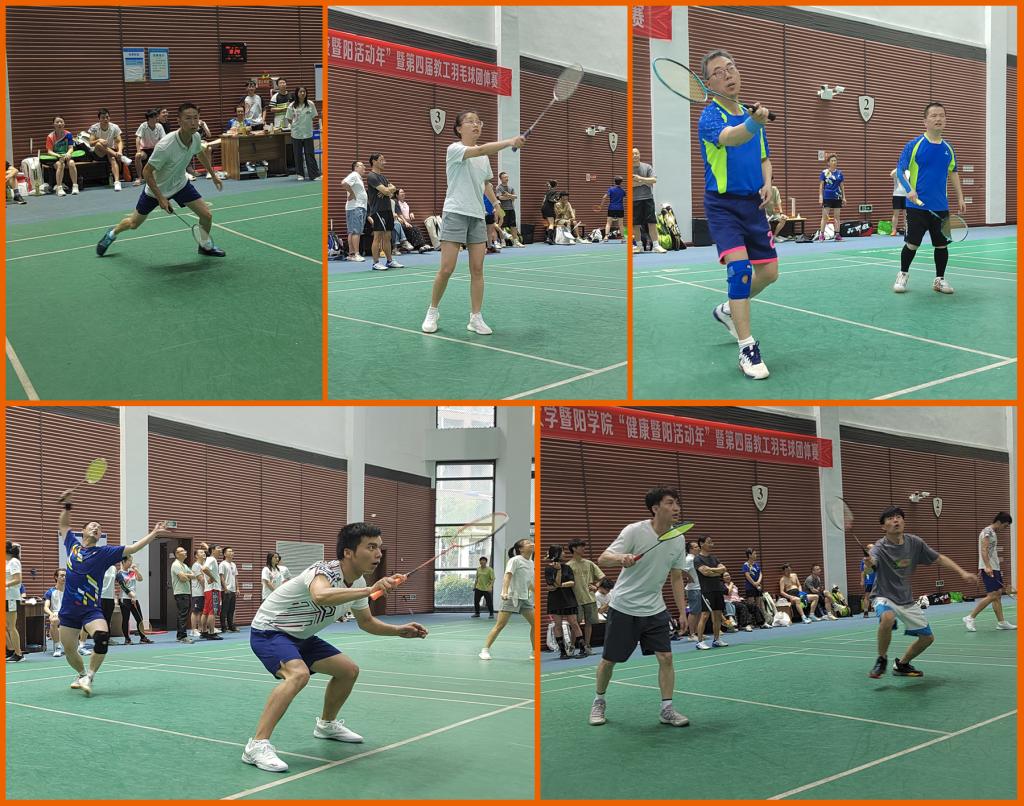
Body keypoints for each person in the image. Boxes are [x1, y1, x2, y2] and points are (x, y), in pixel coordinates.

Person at [242, 522, 427, 772]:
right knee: (298, 675)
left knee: (348, 670)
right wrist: (370, 589)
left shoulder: (358, 582)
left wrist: (399, 630)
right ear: (348, 552)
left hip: (302, 636)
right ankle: (256, 746)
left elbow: (366, 622)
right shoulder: (323, 571)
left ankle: (326, 725)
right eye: (371, 547)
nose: (378, 554)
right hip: (269, 631)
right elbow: (320, 595)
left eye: (379, 548)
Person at [698, 50, 778, 382]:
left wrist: (768, 184)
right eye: (719, 72)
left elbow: (764, 158)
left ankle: (729, 309)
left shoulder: (749, 114)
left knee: (769, 273)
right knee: (740, 270)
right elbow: (732, 138)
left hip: (753, 205)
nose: (728, 74)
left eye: (731, 68)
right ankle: (747, 348)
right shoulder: (710, 117)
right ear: (708, 84)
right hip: (723, 206)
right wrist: (754, 122)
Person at [56, 488, 173, 695]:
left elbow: (133, 548)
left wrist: (154, 533)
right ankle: (81, 674)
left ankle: (90, 676)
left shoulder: (105, 552)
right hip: (68, 609)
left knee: (102, 636)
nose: (96, 528)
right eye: (92, 526)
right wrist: (67, 505)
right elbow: (64, 525)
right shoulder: (72, 546)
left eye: (99, 528)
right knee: (69, 649)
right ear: (83, 531)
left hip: (90, 609)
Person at [590, 487, 690, 728]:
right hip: (624, 606)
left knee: (666, 657)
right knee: (609, 660)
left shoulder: (678, 538)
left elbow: (676, 577)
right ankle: (599, 701)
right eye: (670, 503)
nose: (676, 508)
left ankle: (667, 709)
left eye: (677, 503)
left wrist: (682, 611)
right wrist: (621, 558)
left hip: (655, 608)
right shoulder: (635, 530)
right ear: (655, 508)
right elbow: (603, 558)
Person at [420, 112, 524, 335]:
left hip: (477, 215)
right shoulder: (454, 149)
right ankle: (432, 311)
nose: (476, 124)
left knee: (477, 269)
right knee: (447, 268)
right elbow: (479, 150)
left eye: (478, 122)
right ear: (459, 128)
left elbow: (486, 183)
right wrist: (509, 142)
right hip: (455, 212)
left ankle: (475, 318)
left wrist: (496, 204)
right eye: (470, 121)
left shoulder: (483, 158)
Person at [96, 102, 225, 258]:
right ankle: (112, 233)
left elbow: (199, 153)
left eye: (196, 118)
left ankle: (204, 246)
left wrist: (213, 175)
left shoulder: (195, 137)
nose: (193, 122)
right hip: (155, 190)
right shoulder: (166, 145)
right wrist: (161, 197)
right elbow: (146, 172)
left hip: (180, 185)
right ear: (179, 121)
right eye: (188, 118)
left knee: (206, 216)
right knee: (133, 223)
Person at [866, 506, 978, 678]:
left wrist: (962, 572)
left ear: (903, 521)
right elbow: (871, 564)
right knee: (887, 617)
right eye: (890, 518)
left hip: (906, 599)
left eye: (898, 517)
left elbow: (939, 558)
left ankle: (902, 665)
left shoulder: (914, 543)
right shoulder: (880, 547)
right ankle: (881, 659)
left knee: (927, 638)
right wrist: (869, 564)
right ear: (883, 527)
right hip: (884, 596)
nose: (895, 520)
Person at [892, 102, 965, 295]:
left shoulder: (948, 148)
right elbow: (900, 170)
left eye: (942, 115)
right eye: (934, 115)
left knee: (942, 245)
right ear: (925, 121)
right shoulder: (914, 145)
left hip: (940, 206)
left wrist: (960, 197)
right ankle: (902, 274)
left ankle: (939, 280)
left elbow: (954, 173)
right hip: (916, 206)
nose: (938, 118)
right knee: (912, 244)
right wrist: (909, 189)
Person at [479, 538, 535, 660]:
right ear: (521, 549)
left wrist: (536, 591)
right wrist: (504, 592)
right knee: (500, 625)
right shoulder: (515, 560)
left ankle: (534, 652)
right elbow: (507, 576)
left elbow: (529, 582)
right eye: (528, 543)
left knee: (535, 624)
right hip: (511, 597)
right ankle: (485, 650)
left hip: (525, 598)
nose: (532, 544)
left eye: (531, 542)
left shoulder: (531, 563)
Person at [963, 512, 1015, 632]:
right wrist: (986, 566)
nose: (1005, 528)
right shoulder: (987, 532)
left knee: (997, 595)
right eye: (1005, 525)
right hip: (989, 568)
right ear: (999, 522)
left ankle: (1001, 622)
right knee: (993, 595)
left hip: (994, 567)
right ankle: (970, 617)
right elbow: (984, 549)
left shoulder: (993, 533)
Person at [362, 152, 404, 271]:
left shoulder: (383, 177)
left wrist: (387, 190)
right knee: (378, 237)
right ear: (374, 161)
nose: (384, 162)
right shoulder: (372, 176)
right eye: (381, 160)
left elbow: (393, 189)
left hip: (387, 209)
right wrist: (386, 190)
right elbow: (386, 191)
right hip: (378, 210)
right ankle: (375, 263)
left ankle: (389, 261)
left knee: (388, 236)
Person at [566, 539, 605, 655]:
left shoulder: (589, 563)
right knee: (575, 624)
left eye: (584, 546)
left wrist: (596, 586)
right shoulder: (568, 566)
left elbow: (602, 577)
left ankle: (587, 646)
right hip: (575, 600)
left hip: (590, 599)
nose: (584, 548)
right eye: (581, 546)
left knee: (589, 623)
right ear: (574, 548)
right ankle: (572, 646)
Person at [545, 545, 585, 659]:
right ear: (556, 553)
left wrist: (559, 585)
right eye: (562, 552)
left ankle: (582, 649)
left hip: (568, 599)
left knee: (574, 623)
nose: (565, 554)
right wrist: (558, 572)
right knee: (557, 625)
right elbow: (552, 585)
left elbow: (571, 582)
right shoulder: (548, 569)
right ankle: (563, 652)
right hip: (555, 600)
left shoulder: (567, 567)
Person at [693, 536, 729, 650]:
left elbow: (723, 569)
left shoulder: (714, 558)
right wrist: (716, 571)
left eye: (712, 542)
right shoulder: (698, 559)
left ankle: (716, 640)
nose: (711, 544)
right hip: (707, 590)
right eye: (709, 542)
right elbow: (705, 572)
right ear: (701, 544)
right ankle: (700, 641)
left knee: (717, 615)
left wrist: (711, 570)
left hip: (718, 589)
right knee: (705, 615)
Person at [88, 108, 132, 191]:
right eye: (103, 117)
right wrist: (99, 140)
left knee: (113, 159)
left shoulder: (115, 127)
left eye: (107, 117)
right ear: (99, 119)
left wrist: (120, 151)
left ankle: (117, 182)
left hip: (110, 151)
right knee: (98, 144)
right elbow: (90, 143)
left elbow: (119, 141)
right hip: (98, 153)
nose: (105, 119)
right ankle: (121, 158)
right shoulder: (94, 127)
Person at [632, 148, 665, 254]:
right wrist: (646, 182)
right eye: (632, 154)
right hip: (634, 200)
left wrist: (640, 179)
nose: (635, 155)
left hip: (648, 198)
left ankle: (656, 245)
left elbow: (654, 180)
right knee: (636, 224)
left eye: (636, 153)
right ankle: (639, 246)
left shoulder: (647, 167)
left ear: (639, 154)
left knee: (652, 223)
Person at [116, 557, 154, 644]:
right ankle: (127, 639)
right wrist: (131, 596)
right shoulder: (119, 574)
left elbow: (140, 579)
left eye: (131, 561)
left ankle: (143, 638)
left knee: (139, 619)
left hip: (134, 599)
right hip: (124, 599)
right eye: (129, 561)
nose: (131, 563)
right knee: (126, 619)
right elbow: (123, 587)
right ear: (123, 562)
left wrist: (136, 570)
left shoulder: (132, 572)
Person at [285, 86, 319, 181]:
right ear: (297, 93)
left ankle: (314, 175)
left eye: (304, 91)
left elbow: (313, 116)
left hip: (308, 133)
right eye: (300, 92)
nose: (302, 93)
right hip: (296, 134)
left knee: (310, 155)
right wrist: (296, 125)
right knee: (298, 155)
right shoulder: (292, 106)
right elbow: (289, 119)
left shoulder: (310, 104)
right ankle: (300, 174)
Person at [46, 116, 79, 197]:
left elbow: (71, 148)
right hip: (56, 158)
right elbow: (49, 151)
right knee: (61, 165)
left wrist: (68, 153)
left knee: (71, 163)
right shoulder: (50, 136)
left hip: (66, 155)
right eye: (57, 122)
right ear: (54, 124)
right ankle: (59, 188)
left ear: (64, 124)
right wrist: (58, 155)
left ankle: (75, 186)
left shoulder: (68, 134)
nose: (59, 124)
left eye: (61, 122)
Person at [343, 160, 368, 262]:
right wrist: (352, 193)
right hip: (355, 207)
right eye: (362, 166)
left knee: (353, 231)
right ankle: (356, 254)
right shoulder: (354, 175)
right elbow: (344, 183)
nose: (364, 167)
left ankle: (351, 254)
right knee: (355, 232)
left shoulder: (358, 178)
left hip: (358, 207)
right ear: (356, 167)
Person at [134, 109, 166, 187]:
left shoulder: (159, 126)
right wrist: (138, 151)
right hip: (145, 150)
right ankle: (139, 177)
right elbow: (138, 138)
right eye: (154, 117)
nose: (156, 119)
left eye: (156, 117)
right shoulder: (143, 126)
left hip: (156, 149)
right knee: (137, 156)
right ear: (149, 118)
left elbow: (163, 139)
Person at [169, 546, 195, 643]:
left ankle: (180, 635)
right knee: (183, 615)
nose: (185, 552)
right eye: (182, 551)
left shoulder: (184, 565)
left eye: (185, 550)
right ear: (177, 554)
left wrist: (186, 575)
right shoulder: (176, 564)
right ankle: (182, 636)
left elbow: (194, 575)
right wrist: (187, 576)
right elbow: (183, 578)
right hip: (180, 593)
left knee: (184, 614)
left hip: (186, 592)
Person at [817, 153, 844, 242]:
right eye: (832, 161)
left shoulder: (839, 173)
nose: (834, 162)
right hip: (827, 196)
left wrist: (844, 197)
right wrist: (820, 196)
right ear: (828, 163)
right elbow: (821, 185)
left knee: (837, 217)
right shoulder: (824, 172)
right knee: (825, 217)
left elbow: (842, 186)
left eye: (835, 160)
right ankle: (822, 235)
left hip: (837, 197)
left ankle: (837, 234)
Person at [200, 545, 225, 640]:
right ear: (213, 551)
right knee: (212, 612)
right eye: (218, 548)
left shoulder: (209, 559)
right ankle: (211, 633)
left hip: (208, 590)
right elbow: (204, 569)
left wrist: (210, 576)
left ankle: (204, 632)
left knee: (206, 612)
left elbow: (204, 569)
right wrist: (213, 577)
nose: (220, 549)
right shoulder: (212, 559)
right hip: (213, 589)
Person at [494, 171, 525, 247]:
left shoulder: (511, 188)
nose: (506, 178)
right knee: (502, 226)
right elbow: (500, 197)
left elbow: (515, 197)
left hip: (511, 209)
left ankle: (515, 242)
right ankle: (503, 242)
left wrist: (508, 195)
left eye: (507, 177)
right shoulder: (499, 188)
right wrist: (510, 196)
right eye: (504, 177)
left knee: (513, 226)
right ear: (501, 179)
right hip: (502, 209)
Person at [741, 547, 769, 628]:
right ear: (749, 555)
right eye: (754, 554)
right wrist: (754, 584)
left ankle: (761, 623)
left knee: (759, 605)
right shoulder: (745, 565)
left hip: (757, 587)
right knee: (751, 605)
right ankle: (750, 623)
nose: (756, 555)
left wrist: (758, 582)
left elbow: (760, 574)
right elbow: (747, 575)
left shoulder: (756, 564)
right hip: (750, 588)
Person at [5, 541, 24, 663]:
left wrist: (5, 584)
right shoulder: (7, 562)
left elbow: (18, 579)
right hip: (5, 597)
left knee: (11, 626)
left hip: (11, 597)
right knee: (7, 626)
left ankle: (19, 654)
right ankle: (12, 650)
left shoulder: (14, 562)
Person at [681, 540, 702, 641]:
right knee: (693, 611)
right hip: (693, 589)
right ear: (690, 549)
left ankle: (698, 632)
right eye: (696, 547)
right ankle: (691, 634)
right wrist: (689, 578)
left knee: (699, 611)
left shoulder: (696, 558)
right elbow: (682, 571)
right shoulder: (689, 559)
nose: (698, 548)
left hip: (699, 588)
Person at [220, 546, 239, 632]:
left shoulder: (234, 564)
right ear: (224, 554)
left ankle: (231, 626)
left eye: (232, 551)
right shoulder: (222, 564)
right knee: (224, 609)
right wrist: (225, 588)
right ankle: (223, 627)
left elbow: (235, 577)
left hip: (233, 590)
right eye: (229, 551)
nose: (232, 553)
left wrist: (237, 588)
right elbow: (221, 577)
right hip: (226, 590)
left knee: (231, 609)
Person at [603, 176, 626, 242]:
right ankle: (623, 238)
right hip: (620, 208)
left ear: (614, 182)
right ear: (621, 182)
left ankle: (606, 237)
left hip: (611, 208)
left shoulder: (610, 189)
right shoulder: (623, 191)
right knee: (621, 224)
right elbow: (623, 199)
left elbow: (604, 197)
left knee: (608, 223)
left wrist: (601, 205)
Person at [189, 548, 206, 640]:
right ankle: (193, 629)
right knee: (195, 611)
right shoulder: (196, 565)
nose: (203, 553)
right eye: (201, 552)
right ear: (196, 556)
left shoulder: (204, 565)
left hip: (204, 592)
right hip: (197, 592)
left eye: (203, 552)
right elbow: (201, 579)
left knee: (201, 611)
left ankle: (200, 628)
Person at [889, 168, 910, 236]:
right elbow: (891, 174)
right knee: (896, 214)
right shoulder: (897, 171)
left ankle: (907, 230)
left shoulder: (908, 172)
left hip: (906, 196)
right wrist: (899, 167)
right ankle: (894, 230)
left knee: (906, 214)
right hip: (897, 195)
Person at [540, 180, 560, 245]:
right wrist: (557, 201)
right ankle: (549, 239)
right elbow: (553, 200)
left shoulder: (547, 192)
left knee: (549, 224)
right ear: (555, 185)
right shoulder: (555, 192)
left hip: (543, 208)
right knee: (551, 223)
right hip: (549, 208)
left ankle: (546, 238)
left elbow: (543, 201)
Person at [860, 545, 876, 617]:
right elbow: (863, 571)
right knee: (867, 596)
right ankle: (866, 611)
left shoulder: (877, 557)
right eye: (871, 548)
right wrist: (862, 580)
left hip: (878, 580)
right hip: (870, 580)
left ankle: (879, 610)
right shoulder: (864, 560)